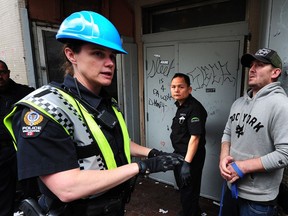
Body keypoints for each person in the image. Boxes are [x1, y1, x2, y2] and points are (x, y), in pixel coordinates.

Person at [3, 11, 183, 216]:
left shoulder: (106, 102)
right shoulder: (46, 109)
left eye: (112, 56)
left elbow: (112, 143)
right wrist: (142, 167)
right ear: (71, 55)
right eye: (98, 53)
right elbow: (67, 188)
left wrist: (154, 154)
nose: (110, 63)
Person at [219, 48, 288, 216]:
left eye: (260, 65)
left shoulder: (281, 105)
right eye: (251, 65)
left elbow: (284, 154)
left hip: (259, 200)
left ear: (275, 72)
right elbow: (227, 133)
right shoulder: (238, 103)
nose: (252, 69)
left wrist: (241, 167)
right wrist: (223, 158)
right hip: (231, 188)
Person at [170, 73, 207, 216]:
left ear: (189, 89)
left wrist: (186, 163)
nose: (176, 90)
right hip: (180, 155)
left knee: (187, 190)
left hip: (190, 157)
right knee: (187, 189)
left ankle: (189, 213)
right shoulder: (181, 106)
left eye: (181, 86)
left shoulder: (194, 108)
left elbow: (195, 137)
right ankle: (194, 211)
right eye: (173, 87)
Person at [0, 60, 34, 216]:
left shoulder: (25, 93)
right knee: (4, 196)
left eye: (2, 72)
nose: (0, 77)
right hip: (2, 153)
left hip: (24, 150)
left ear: (8, 73)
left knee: (31, 190)